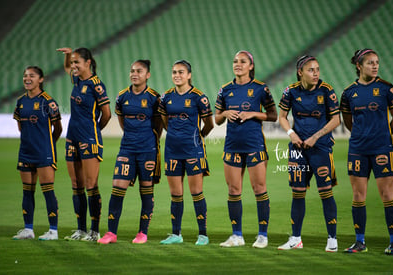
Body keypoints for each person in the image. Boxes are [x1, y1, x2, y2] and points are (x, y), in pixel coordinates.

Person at [340, 49, 393, 255]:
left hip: (382, 148)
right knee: (358, 196)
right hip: (358, 149)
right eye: (370, 63)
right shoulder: (348, 93)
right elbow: (348, 121)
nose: (375, 66)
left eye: (377, 62)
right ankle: (360, 242)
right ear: (359, 66)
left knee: (387, 194)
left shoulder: (387, 89)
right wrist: (361, 135)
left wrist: (384, 135)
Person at [277, 55, 340, 252]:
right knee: (297, 193)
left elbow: (336, 120)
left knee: (325, 192)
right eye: (311, 70)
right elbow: (282, 116)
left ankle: (332, 239)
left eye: (317, 69)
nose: (316, 73)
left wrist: (316, 136)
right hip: (298, 149)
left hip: (320, 147)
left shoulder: (326, 90)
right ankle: (296, 238)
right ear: (300, 72)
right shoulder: (291, 91)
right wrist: (291, 133)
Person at [215, 50, 277, 248]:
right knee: (233, 190)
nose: (237, 64)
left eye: (242, 61)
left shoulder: (261, 88)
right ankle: (237, 235)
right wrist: (225, 112)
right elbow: (216, 120)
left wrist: (253, 114)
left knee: (259, 188)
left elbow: (273, 115)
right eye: (235, 61)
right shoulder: (225, 89)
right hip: (232, 145)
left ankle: (262, 235)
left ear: (251, 66)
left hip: (254, 144)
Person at [98, 60, 162, 244]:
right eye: (132, 71)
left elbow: (158, 125)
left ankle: (142, 233)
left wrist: (149, 140)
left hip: (147, 150)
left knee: (146, 190)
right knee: (117, 188)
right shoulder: (122, 96)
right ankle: (111, 233)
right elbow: (122, 122)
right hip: (127, 148)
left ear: (147, 75)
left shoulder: (154, 97)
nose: (134, 74)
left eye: (139, 71)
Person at [57, 47, 111, 241]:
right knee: (76, 184)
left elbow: (107, 114)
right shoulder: (77, 78)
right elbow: (66, 69)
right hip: (72, 137)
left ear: (88, 63)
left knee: (91, 185)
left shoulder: (97, 85)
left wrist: (94, 130)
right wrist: (67, 55)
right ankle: (80, 229)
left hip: (89, 139)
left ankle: (94, 231)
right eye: (72, 63)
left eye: (76, 62)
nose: (73, 66)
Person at [158, 60, 214, 245]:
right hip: (172, 150)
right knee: (176, 194)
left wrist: (198, 138)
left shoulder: (199, 97)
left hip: (193, 150)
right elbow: (164, 121)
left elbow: (209, 124)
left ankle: (203, 235)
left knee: (196, 192)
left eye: (181, 72)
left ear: (189, 75)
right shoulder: (166, 97)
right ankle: (176, 234)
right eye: (174, 72)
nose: (177, 75)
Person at [12, 66, 62, 240]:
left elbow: (58, 128)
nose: (27, 78)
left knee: (47, 190)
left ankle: (53, 231)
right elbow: (21, 127)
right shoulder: (20, 101)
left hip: (44, 152)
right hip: (26, 151)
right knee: (27, 191)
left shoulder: (48, 101)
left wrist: (47, 145)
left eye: (31, 76)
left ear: (40, 79)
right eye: (25, 75)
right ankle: (28, 229)